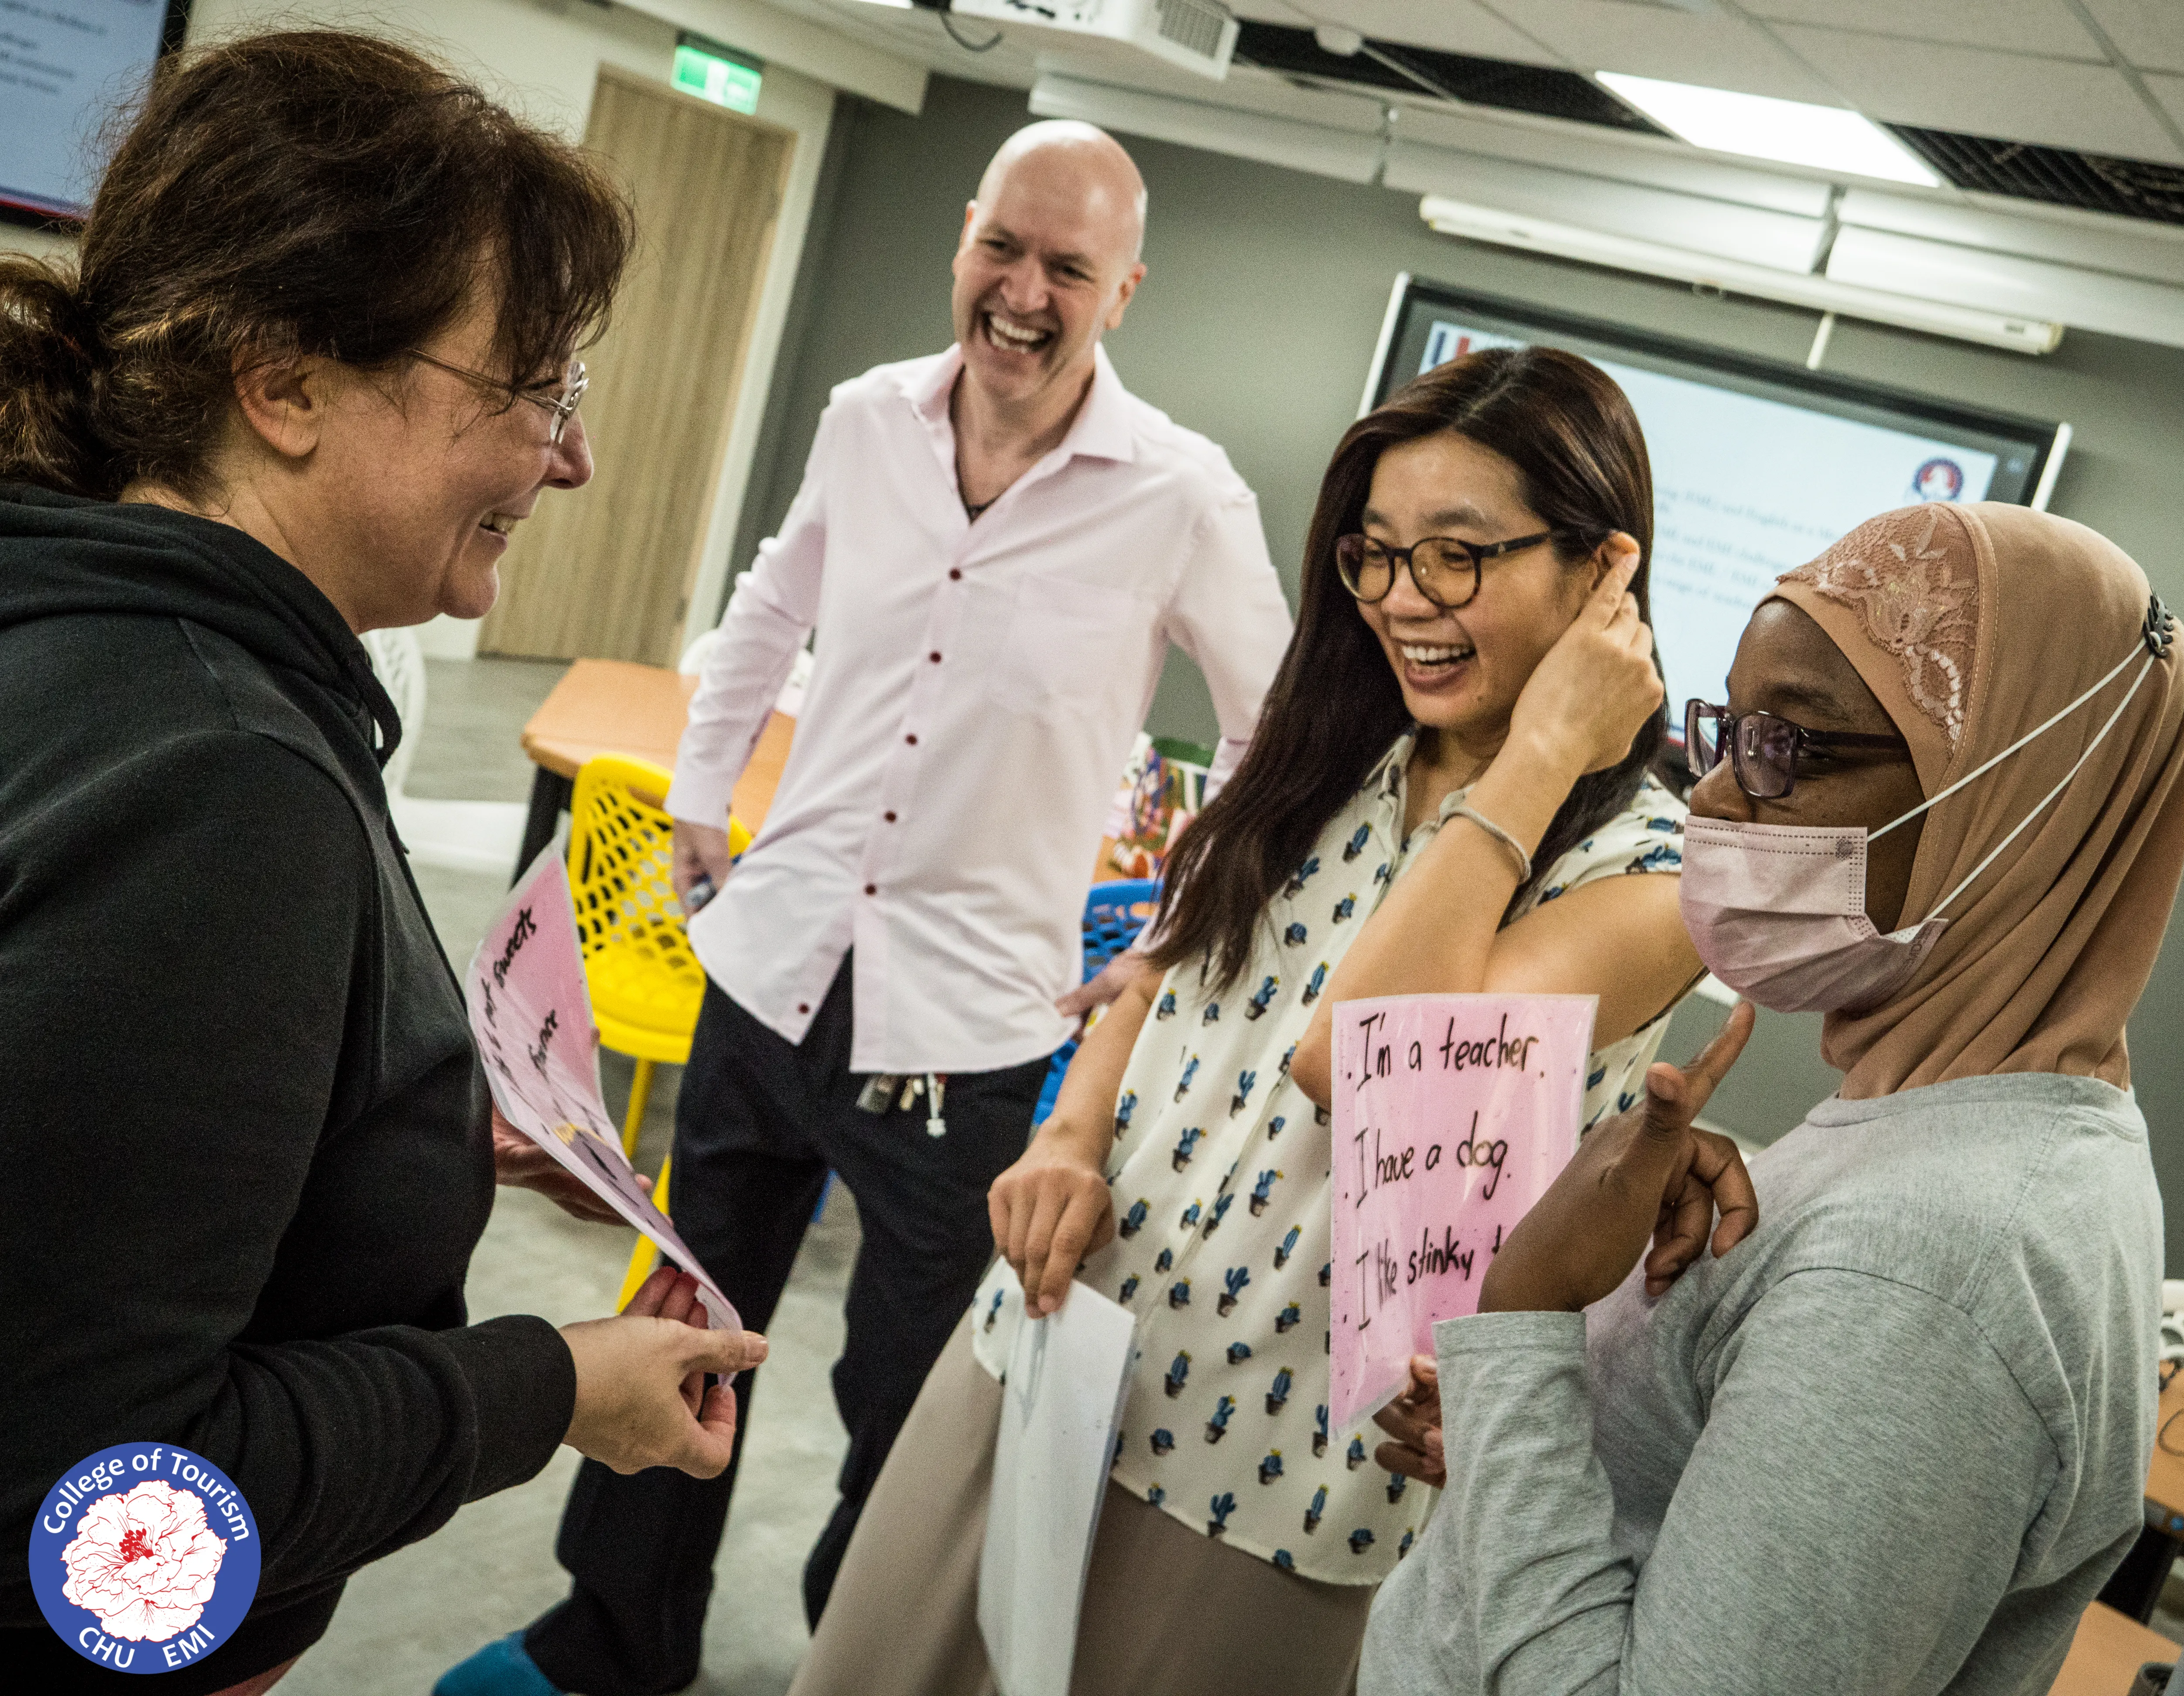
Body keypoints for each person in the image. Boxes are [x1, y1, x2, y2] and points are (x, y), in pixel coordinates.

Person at [438, 120, 1293, 1696]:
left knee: (908, 1398)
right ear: (964, 238)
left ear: (1127, 291)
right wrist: (703, 788)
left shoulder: (1179, 493)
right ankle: (614, 1636)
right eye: (1003, 249)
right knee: (680, 1319)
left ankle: (865, 1662)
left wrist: (1176, 934)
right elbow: (772, 599)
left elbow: (1274, 729)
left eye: (1069, 268)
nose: (1024, 294)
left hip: (963, 1030)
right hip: (769, 971)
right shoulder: (866, 420)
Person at [0, 31, 766, 1696]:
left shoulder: (91, 645)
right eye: (529, 391)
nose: (570, 459)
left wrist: (379, 1117)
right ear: (280, 385)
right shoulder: (223, 785)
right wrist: (549, 1389)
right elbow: (101, 1538)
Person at [788, 345, 1705, 1696]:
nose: (1406, 601)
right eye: (1377, 555)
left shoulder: (1660, 876)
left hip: (1270, 1476)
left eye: (1459, 556)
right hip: (1058, 1344)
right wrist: (1071, 1140)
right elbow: (1167, 962)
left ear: (1601, 571)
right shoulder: (1338, 744)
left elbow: (1367, 1061)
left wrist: (1542, 757)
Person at [1360, 502, 2184, 1693]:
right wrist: (1544, 1436)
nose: (1710, 799)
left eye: (1791, 748)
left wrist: (1529, 1311)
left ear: (2018, 802)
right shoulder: (1966, 1123)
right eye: (1727, 732)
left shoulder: (1920, 1274)